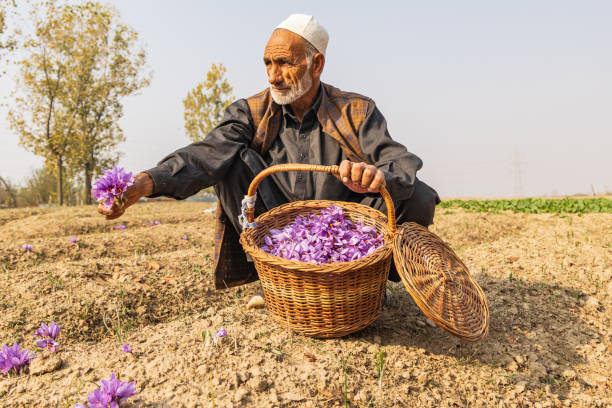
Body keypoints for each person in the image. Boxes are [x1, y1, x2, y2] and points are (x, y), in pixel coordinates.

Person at [98, 14, 440, 289]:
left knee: (419, 194)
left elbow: (399, 160)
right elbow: (206, 153)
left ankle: (365, 282)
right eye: (267, 63)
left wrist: (378, 174)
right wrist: (145, 184)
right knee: (229, 160)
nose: (273, 76)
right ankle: (275, 281)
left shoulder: (355, 110)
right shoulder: (251, 111)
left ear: (316, 64)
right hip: (278, 227)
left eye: (284, 63)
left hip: (342, 227)